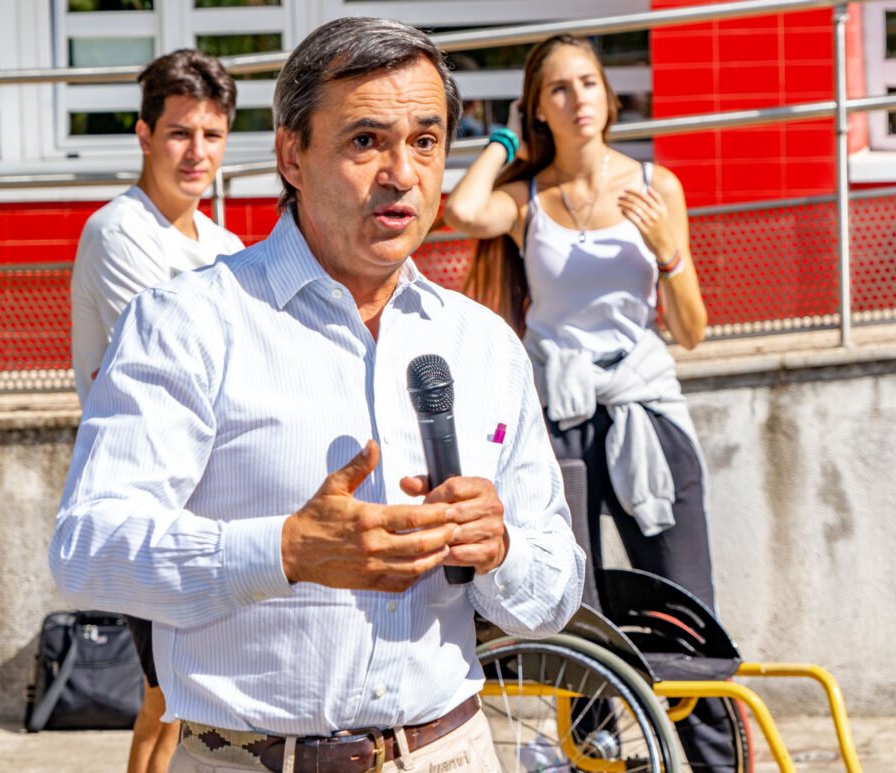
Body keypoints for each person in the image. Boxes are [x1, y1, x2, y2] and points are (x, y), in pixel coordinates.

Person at [50, 17, 584, 773]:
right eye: (366, 141)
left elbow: (556, 592)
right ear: (291, 154)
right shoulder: (187, 323)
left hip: (451, 751)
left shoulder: (485, 344)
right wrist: (284, 551)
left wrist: (501, 550)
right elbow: (88, 549)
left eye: (425, 141)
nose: (402, 173)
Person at [442, 34, 734, 772]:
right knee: (579, 602)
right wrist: (505, 139)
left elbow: (692, 331)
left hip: (644, 411)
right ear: (538, 106)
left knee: (684, 606)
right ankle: (599, 757)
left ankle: (715, 761)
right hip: (558, 415)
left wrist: (669, 250)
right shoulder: (528, 199)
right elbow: (462, 209)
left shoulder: (656, 187)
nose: (579, 100)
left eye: (589, 83)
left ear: (609, 94)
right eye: (559, 88)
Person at [68, 48, 243, 773]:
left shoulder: (226, 245)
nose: (197, 152)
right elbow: (181, 361)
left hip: (216, 489)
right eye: (179, 133)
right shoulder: (118, 232)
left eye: (212, 134)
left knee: (181, 693)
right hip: (149, 493)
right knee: (168, 692)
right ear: (144, 134)